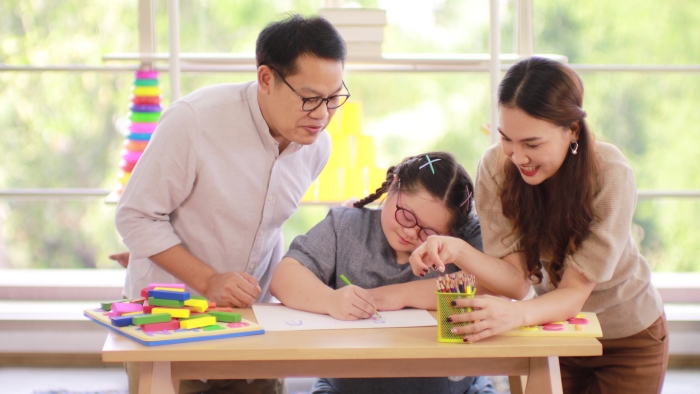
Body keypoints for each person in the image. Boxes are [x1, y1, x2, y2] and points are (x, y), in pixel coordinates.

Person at [115, 14, 348, 394]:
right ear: (266, 79)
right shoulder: (195, 121)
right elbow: (136, 217)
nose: (322, 115)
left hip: (251, 323)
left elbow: (262, 225)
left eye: (333, 98)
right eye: (309, 98)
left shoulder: (316, 145)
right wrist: (209, 280)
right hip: (170, 322)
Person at [408, 57, 668, 393]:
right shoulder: (495, 167)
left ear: (572, 130)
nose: (517, 157)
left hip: (626, 337)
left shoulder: (610, 173)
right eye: (506, 139)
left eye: (532, 144)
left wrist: (514, 316)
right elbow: (516, 281)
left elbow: (574, 293)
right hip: (554, 330)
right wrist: (457, 249)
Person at [270, 152, 495, 394]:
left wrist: (396, 296)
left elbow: (491, 288)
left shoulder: (465, 237)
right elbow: (285, 276)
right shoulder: (346, 225)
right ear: (393, 185)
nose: (410, 233)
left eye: (428, 232)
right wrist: (329, 300)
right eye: (407, 216)